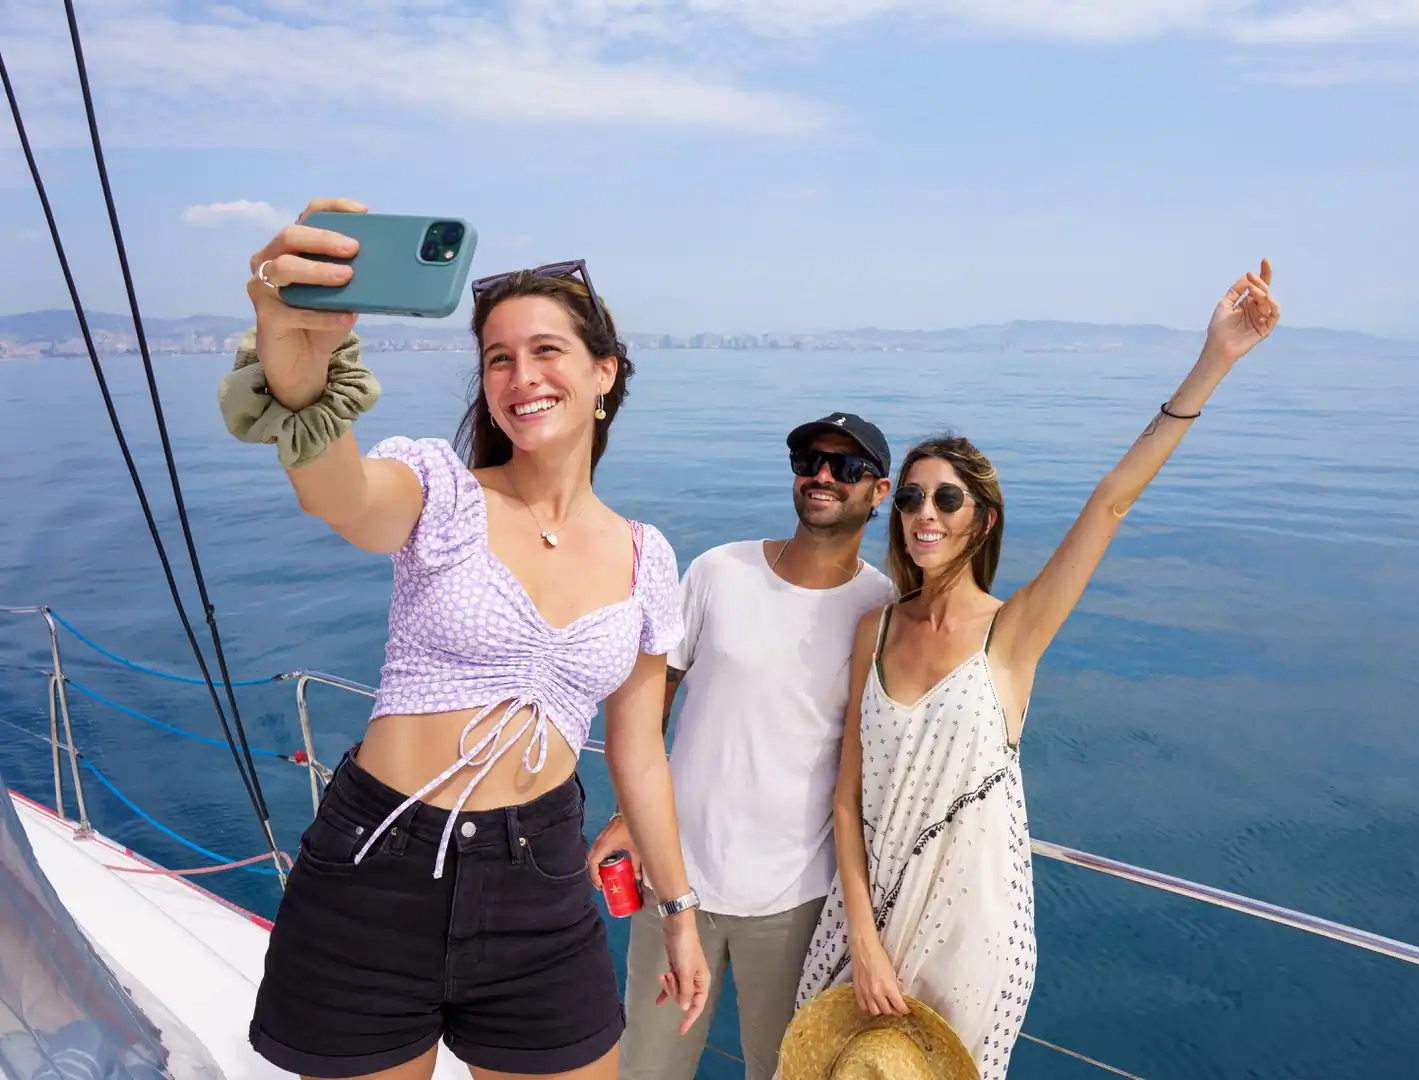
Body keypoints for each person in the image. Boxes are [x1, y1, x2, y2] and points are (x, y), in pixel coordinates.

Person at [221, 197, 709, 1080]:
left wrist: (678, 909)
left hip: (542, 886)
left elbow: (640, 758)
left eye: (546, 351)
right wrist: (300, 375)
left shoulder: (648, 559)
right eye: (498, 358)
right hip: (380, 867)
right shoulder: (441, 491)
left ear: (605, 373)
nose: (521, 376)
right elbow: (342, 497)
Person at [790, 261, 1283, 1080]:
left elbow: (1111, 503)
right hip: (865, 921)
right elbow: (846, 800)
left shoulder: (1011, 635)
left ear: (981, 521)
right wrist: (864, 944)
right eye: (911, 498)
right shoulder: (874, 628)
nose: (924, 515)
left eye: (946, 501)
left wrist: (1215, 359)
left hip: (972, 931)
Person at [587, 411, 896, 1080]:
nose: (821, 475)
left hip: (797, 903)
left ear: (879, 492)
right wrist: (627, 816)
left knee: (781, 1071)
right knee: (649, 1067)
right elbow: (650, 702)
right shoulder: (717, 571)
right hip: (676, 884)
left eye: (846, 468)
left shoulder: (884, 609)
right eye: (809, 459)